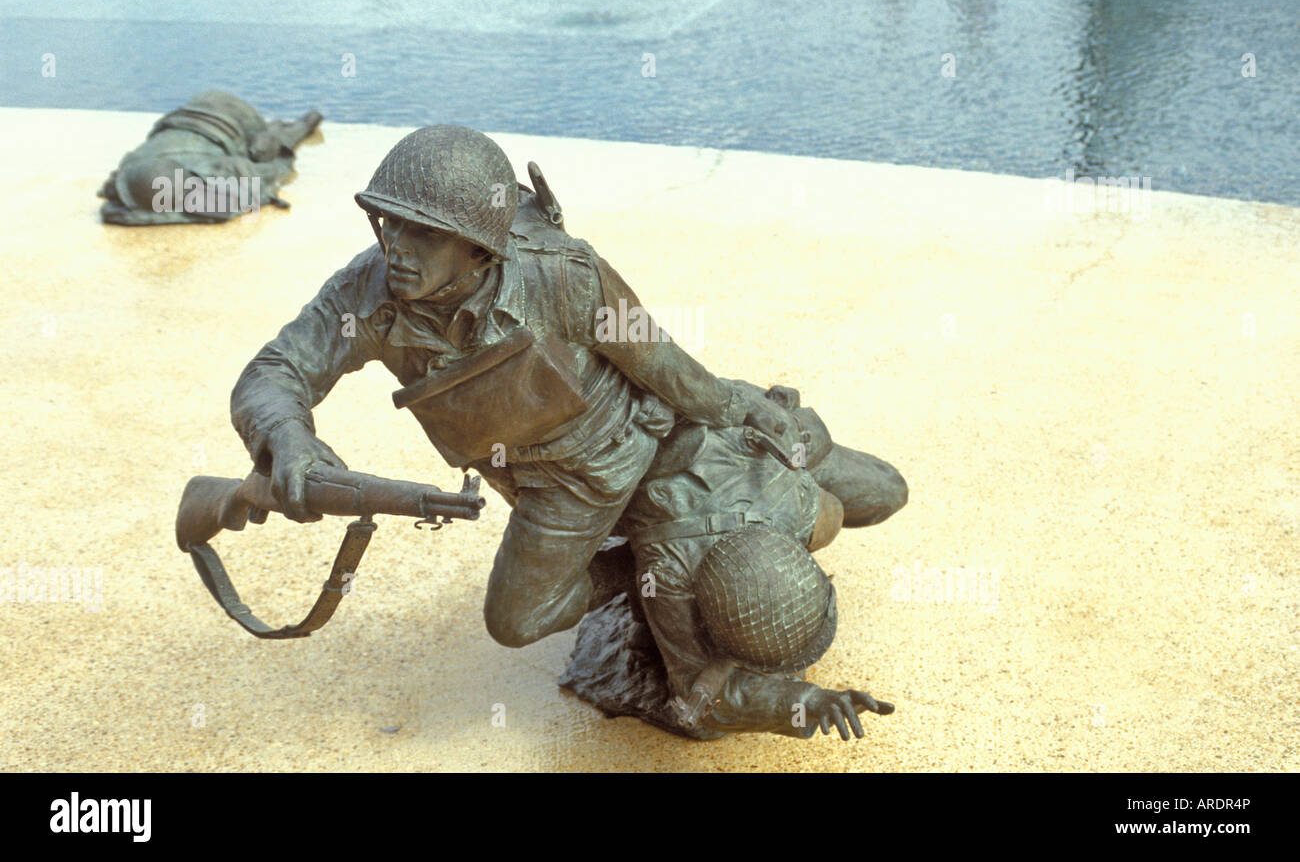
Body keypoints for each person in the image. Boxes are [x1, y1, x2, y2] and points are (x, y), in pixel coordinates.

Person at [230, 124, 798, 649]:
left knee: (859, 495)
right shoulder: (366, 293)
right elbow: (275, 370)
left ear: (479, 247)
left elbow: (655, 357)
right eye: (388, 221)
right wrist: (287, 434)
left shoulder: (563, 273)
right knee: (516, 623)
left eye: (425, 232)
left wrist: (731, 406)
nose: (397, 247)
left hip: (629, 441)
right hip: (545, 484)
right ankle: (641, 568)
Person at [612, 403, 905, 739]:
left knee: (883, 492)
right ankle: (624, 567)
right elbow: (699, 696)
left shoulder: (797, 505)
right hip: (663, 459)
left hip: (739, 448)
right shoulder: (665, 574)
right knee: (705, 731)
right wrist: (803, 700)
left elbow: (831, 508)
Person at [98, 90, 321, 225]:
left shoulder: (218, 170)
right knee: (266, 150)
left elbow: (268, 173)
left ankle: (304, 124)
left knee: (266, 151)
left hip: (237, 120)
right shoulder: (134, 167)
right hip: (192, 115)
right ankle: (303, 123)